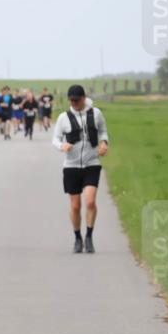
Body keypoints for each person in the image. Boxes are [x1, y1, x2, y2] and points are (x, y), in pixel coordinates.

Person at [51, 85, 109, 253]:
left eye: (77, 100)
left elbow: (104, 132)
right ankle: (77, 237)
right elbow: (55, 138)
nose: (74, 103)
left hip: (92, 163)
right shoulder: (64, 117)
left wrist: (104, 143)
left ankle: (89, 236)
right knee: (75, 206)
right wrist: (62, 146)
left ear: (84, 98)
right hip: (71, 167)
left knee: (90, 201)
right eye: (71, 100)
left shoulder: (96, 114)